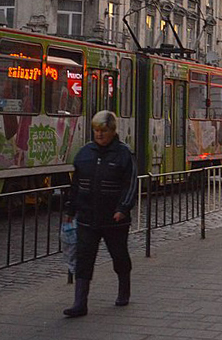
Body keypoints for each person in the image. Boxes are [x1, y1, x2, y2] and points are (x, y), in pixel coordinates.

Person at [62, 110, 138, 318]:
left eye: (103, 131)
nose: (99, 134)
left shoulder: (124, 154)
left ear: (112, 131)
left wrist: (123, 208)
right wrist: (70, 209)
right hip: (87, 217)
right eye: (96, 130)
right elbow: (76, 185)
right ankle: (80, 303)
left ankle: (124, 291)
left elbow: (130, 184)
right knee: (84, 259)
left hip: (114, 220)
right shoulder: (85, 153)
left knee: (119, 256)